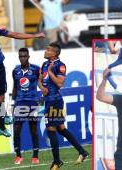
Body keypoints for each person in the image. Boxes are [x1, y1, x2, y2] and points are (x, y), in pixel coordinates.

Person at [38, 42, 88, 170]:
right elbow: (39, 79)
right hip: (48, 99)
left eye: (48, 49)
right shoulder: (44, 64)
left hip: (55, 100)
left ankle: (57, 161)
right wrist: (42, 88)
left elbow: (60, 84)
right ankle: (82, 152)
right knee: (60, 128)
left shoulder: (60, 66)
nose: (45, 50)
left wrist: (50, 72)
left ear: (54, 53)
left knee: (50, 129)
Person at [12, 48, 40, 165]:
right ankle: (18, 156)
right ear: (19, 57)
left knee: (33, 129)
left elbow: (42, 83)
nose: (22, 58)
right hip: (19, 103)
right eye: (20, 56)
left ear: (28, 57)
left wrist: (43, 96)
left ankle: (35, 156)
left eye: (24, 56)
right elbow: (15, 86)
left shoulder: (36, 69)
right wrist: (13, 101)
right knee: (16, 130)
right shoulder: (15, 70)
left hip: (32, 102)